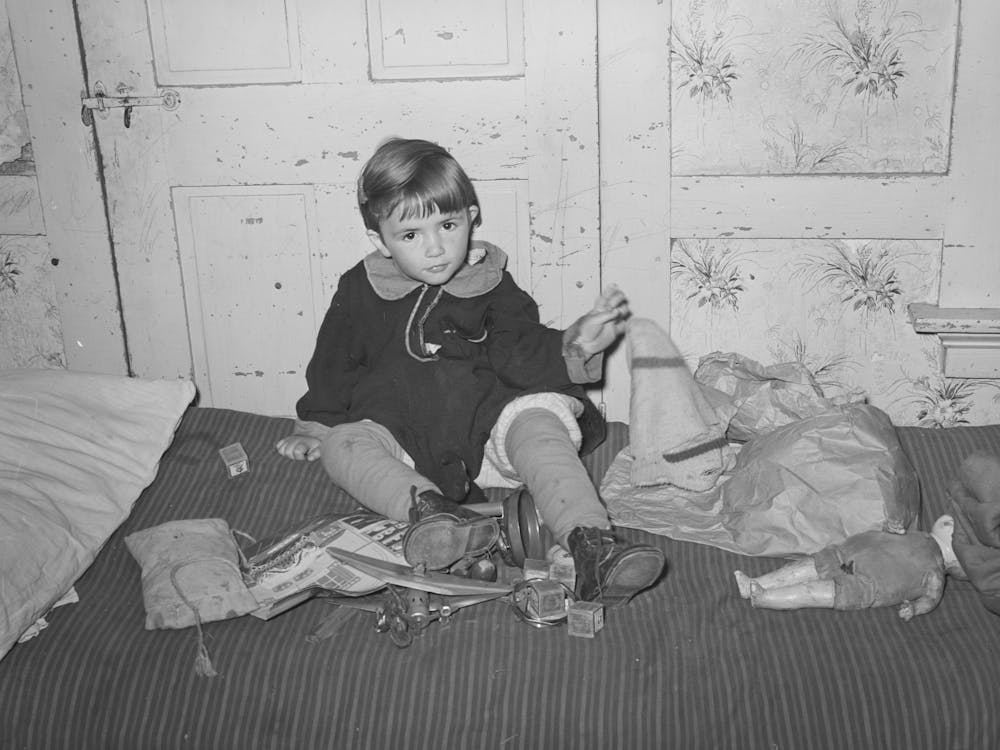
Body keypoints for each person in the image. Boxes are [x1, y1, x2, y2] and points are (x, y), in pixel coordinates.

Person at [276, 137, 665, 606]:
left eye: (448, 224)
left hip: (488, 423)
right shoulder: (360, 290)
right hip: (402, 437)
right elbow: (332, 365)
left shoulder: (490, 282)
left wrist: (576, 344)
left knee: (538, 421)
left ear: (471, 216)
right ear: (380, 240)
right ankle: (433, 514)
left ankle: (592, 543)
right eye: (411, 236)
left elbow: (520, 349)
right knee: (343, 445)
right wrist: (315, 426)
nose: (436, 248)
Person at [733, 515, 966, 621]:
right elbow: (887, 535)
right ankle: (755, 582)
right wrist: (891, 527)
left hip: (866, 584)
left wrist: (915, 608)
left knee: (815, 591)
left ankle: (766, 597)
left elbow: (931, 599)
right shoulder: (918, 534)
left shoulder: (935, 572)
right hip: (847, 553)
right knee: (805, 567)